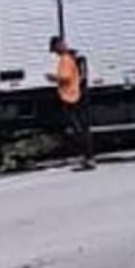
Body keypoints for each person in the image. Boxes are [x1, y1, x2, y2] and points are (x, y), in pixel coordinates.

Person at [47, 35, 94, 170]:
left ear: (59, 45)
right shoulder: (71, 57)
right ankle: (87, 158)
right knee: (81, 127)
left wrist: (53, 78)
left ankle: (87, 158)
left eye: (55, 49)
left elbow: (66, 77)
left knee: (78, 128)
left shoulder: (66, 59)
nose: (55, 53)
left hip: (72, 96)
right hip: (75, 95)